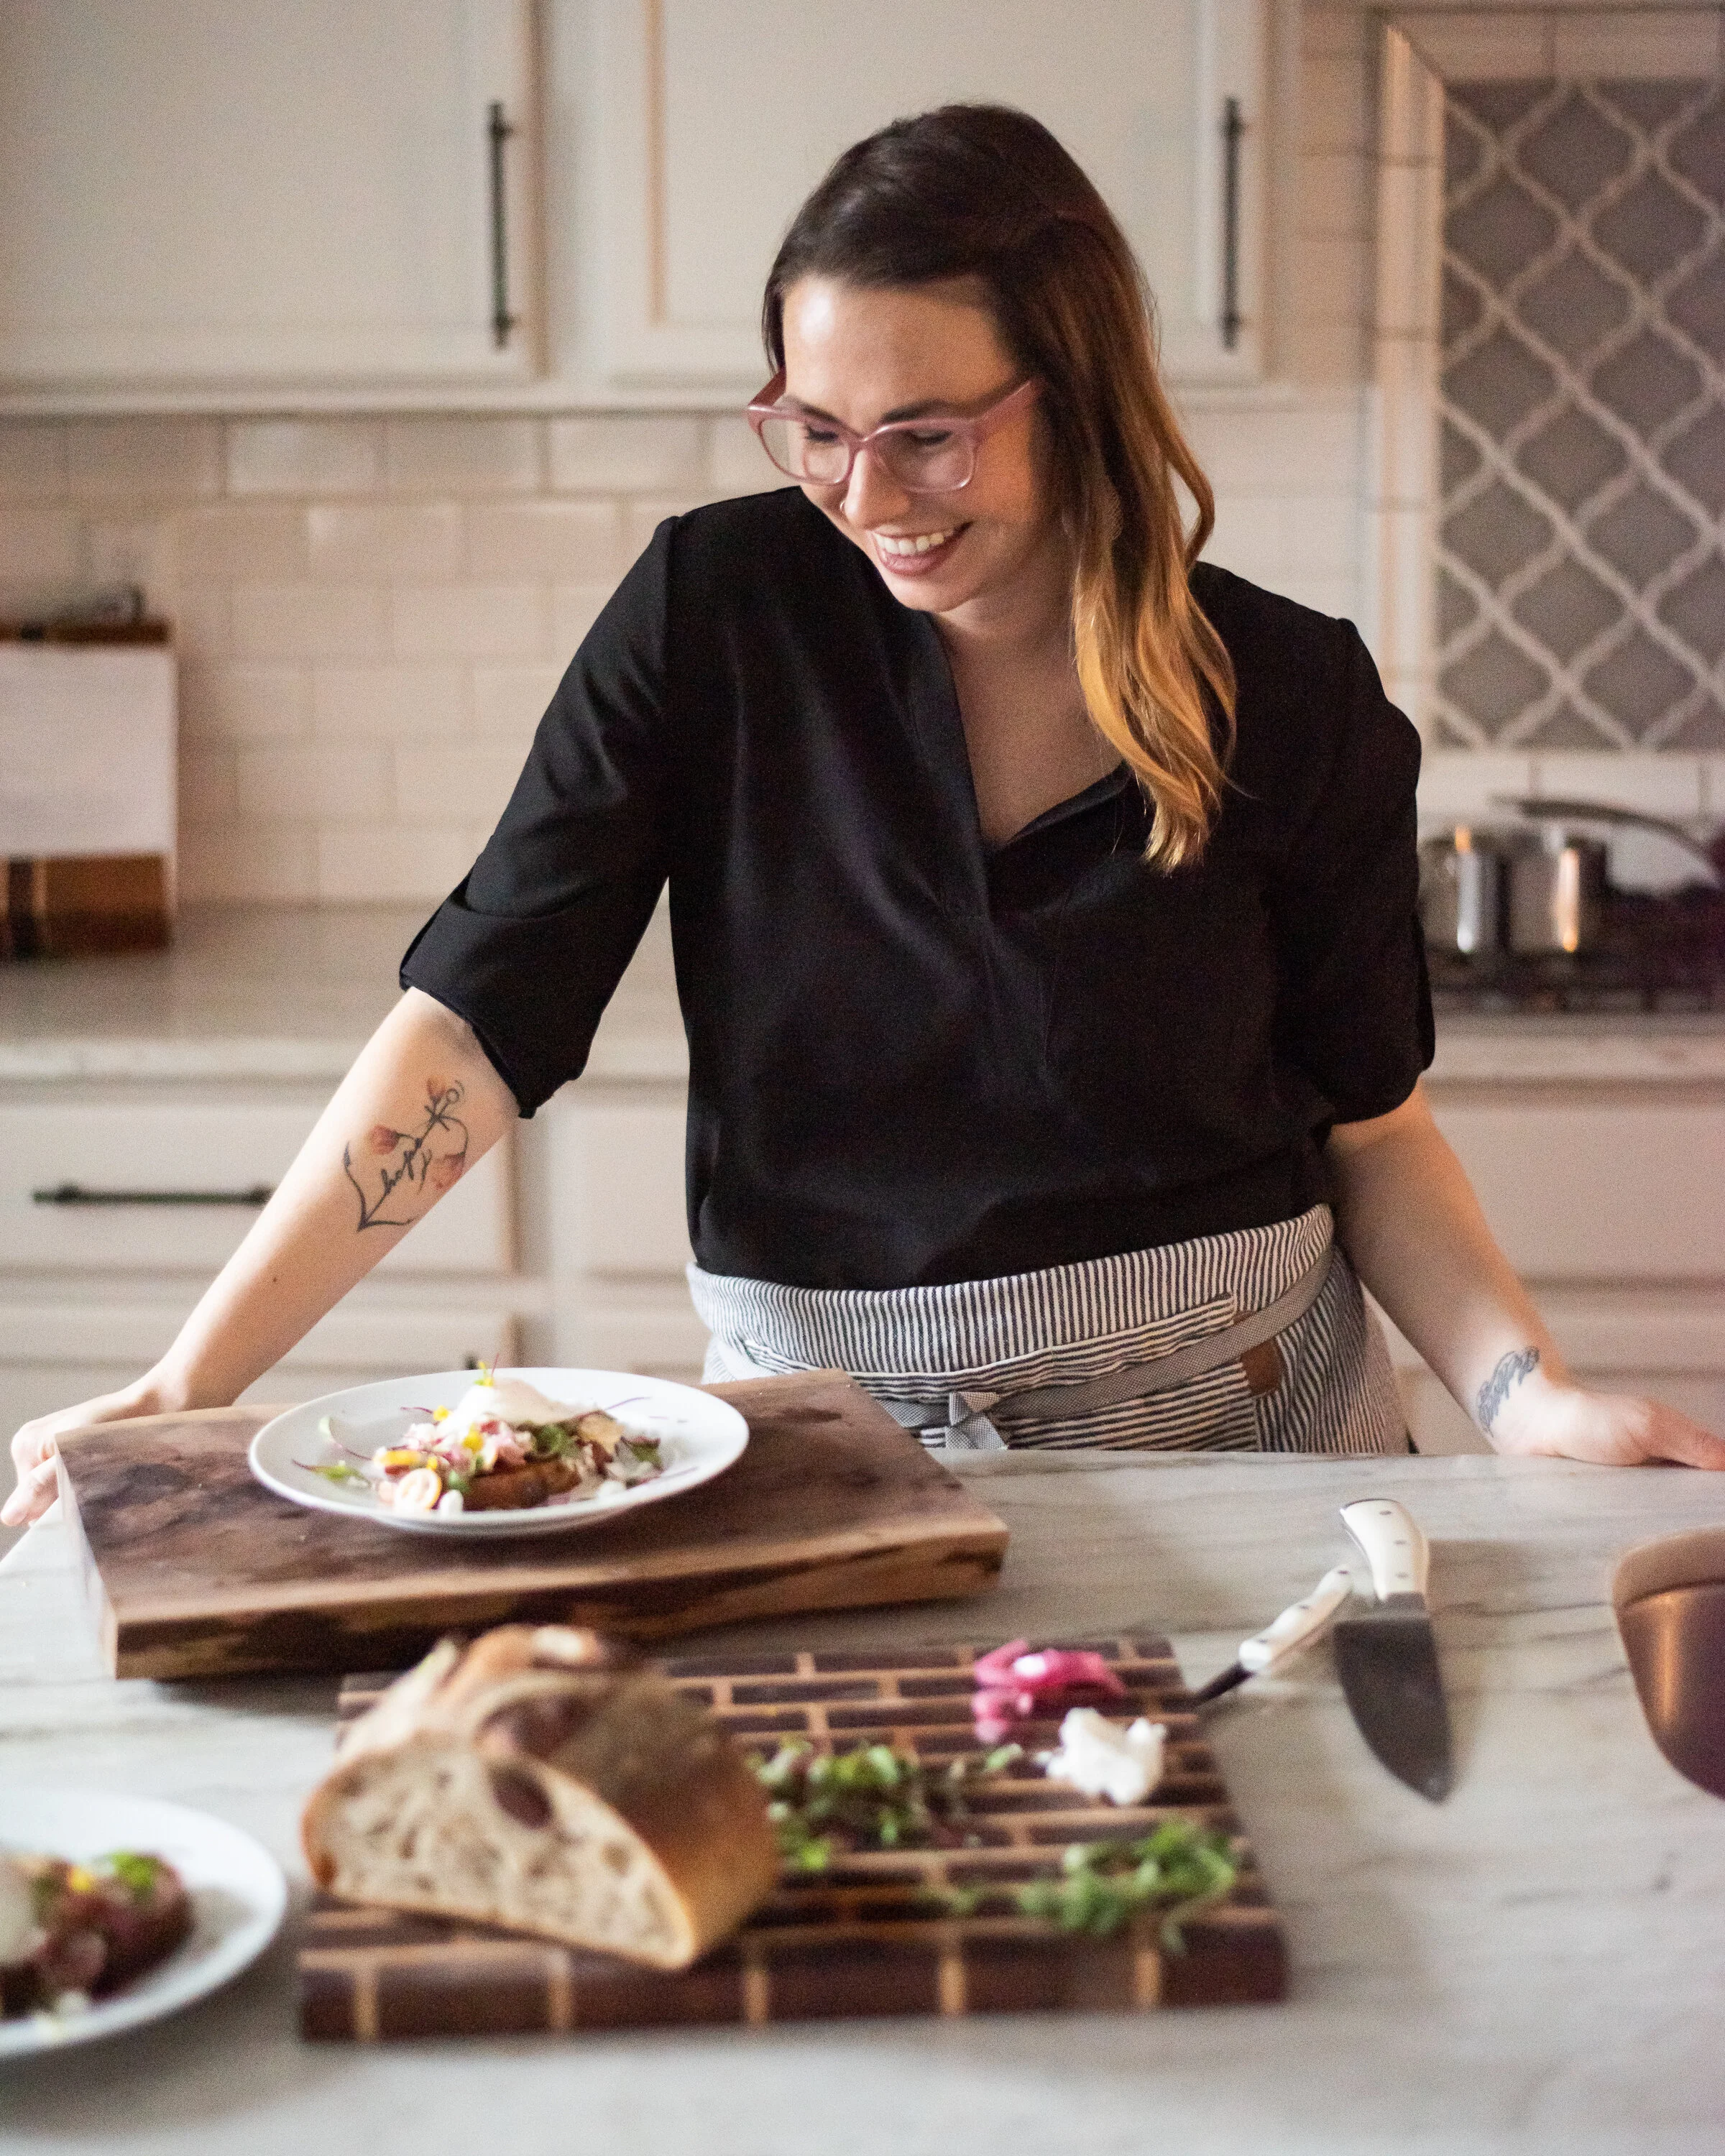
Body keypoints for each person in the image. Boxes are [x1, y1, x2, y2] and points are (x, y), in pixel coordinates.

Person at [7, 104, 1720, 1526]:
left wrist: (1521, 1395)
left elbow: (1373, 1131)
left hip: (1249, 1454)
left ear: (1079, 392)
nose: (866, 499)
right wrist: (188, 1380)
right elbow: (475, 1027)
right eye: (814, 432)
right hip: (822, 1458)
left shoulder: (1290, 693)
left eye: (927, 436)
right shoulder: (714, 617)